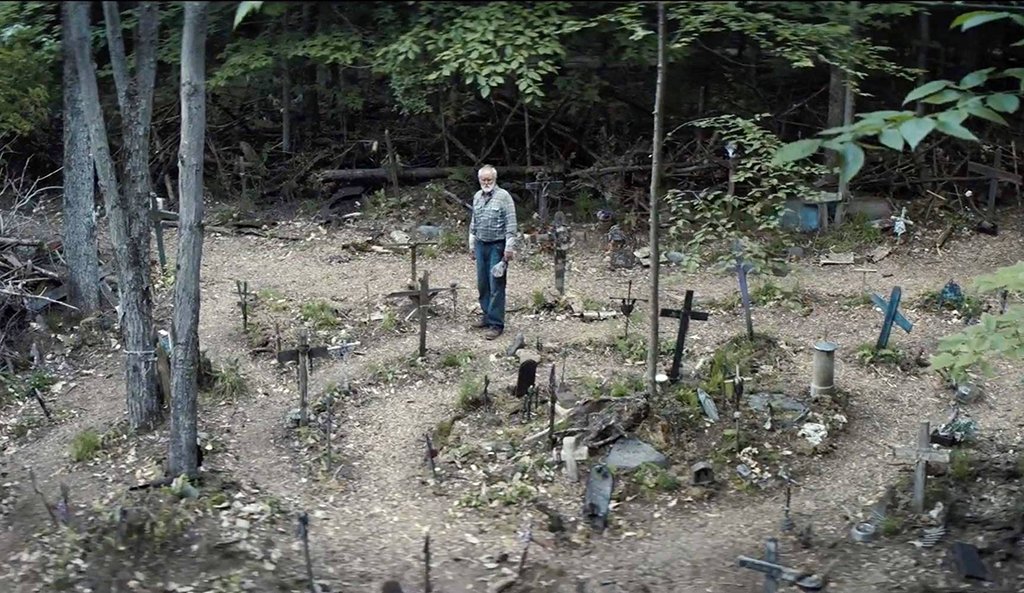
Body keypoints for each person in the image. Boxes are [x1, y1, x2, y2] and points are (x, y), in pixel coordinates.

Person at [468, 164, 518, 340]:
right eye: (483, 179)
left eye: (489, 179)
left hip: (498, 245)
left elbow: (511, 224)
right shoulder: (477, 197)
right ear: (479, 180)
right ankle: (486, 316)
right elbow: (474, 222)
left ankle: (496, 324)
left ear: (495, 179)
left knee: (496, 284)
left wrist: (509, 247)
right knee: (483, 284)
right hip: (481, 245)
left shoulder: (504, 197)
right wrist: (471, 245)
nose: (486, 182)